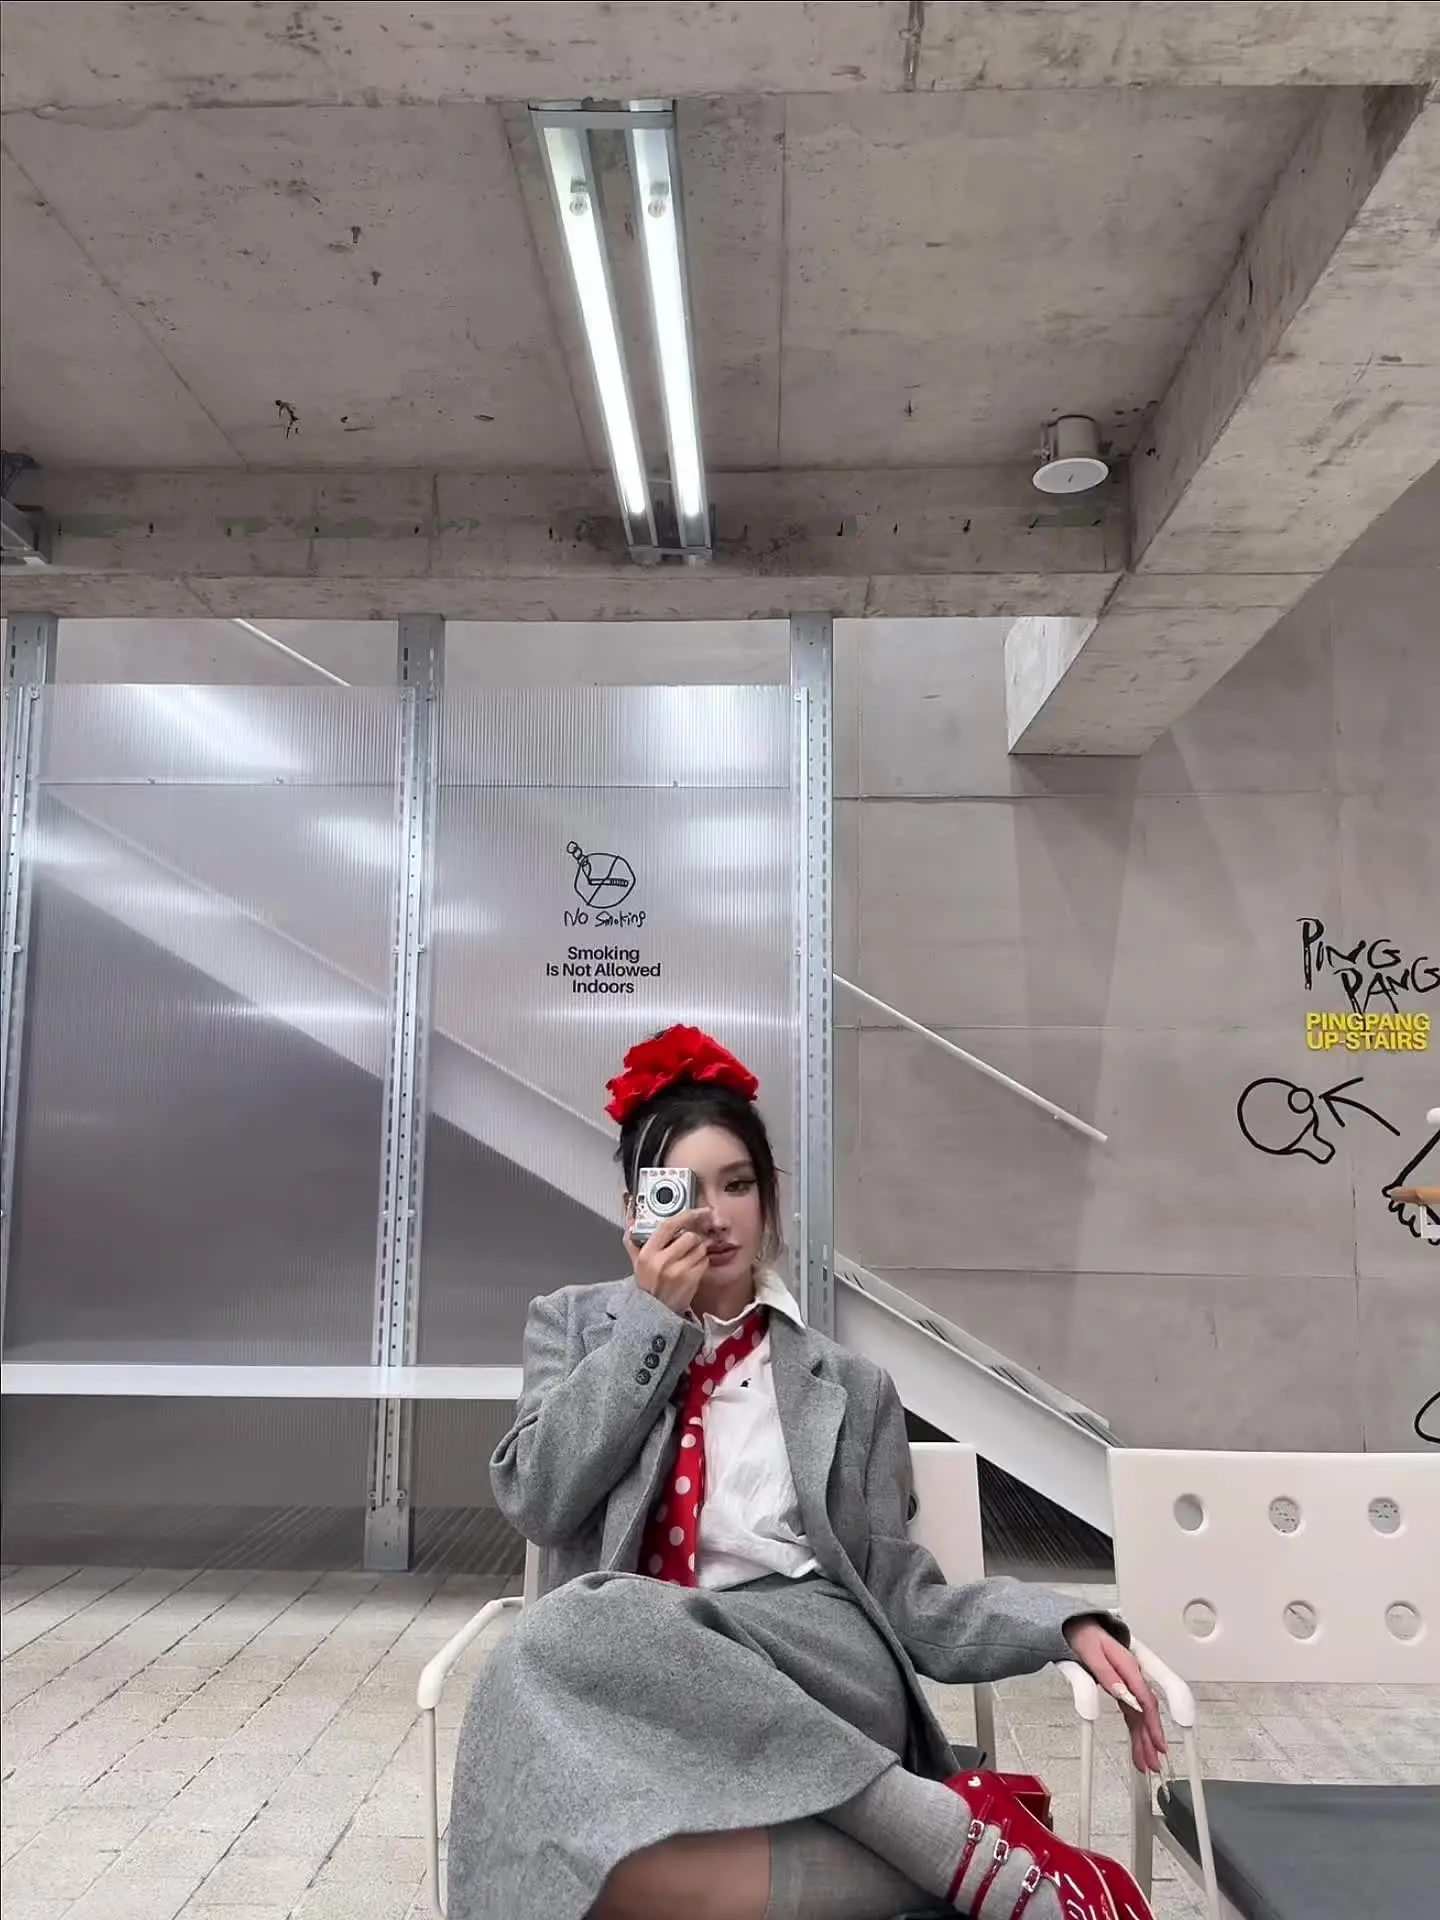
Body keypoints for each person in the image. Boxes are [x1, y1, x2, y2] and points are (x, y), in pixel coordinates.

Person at [446, 1026, 1165, 1920]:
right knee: (584, 1857)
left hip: (813, 1667)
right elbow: (538, 1501)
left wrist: (1066, 1623)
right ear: (635, 1209)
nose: (714, 1217)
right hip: (643, 1684)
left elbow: (904, 1595)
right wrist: (651, 1327)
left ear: (770, 1199)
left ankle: (936, 1837)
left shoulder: (851, 1385)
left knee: (565, 1627)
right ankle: (962, 1851)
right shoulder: (572, 1327)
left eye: (738, 1185)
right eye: (682, 1193)